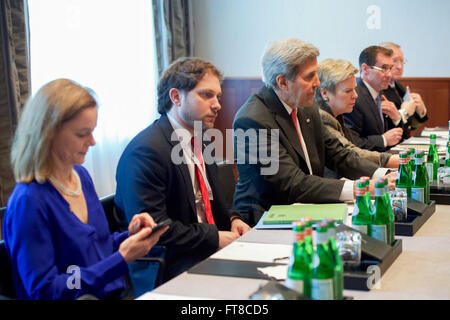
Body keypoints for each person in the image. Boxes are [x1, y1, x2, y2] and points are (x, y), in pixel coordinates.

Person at [2, 79, 168, 300]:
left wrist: (130, 237)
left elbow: (93, 250)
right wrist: (121, 258)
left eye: (92, 132)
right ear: (48, 134)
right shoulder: (29, 202)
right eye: (82, 134)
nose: (92, 142)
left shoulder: (80, 176)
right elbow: (47, 289)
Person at [232, 39, 395, 227]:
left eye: (316, 74)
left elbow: (339, 155)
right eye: (309, 77)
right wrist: (359, 188)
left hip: (308, 210)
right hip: (268, 219)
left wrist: (384, 174)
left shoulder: (306, 107)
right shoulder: (253, 120)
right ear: (283, 82)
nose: (317, 83)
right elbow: (292, 182)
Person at [115, 57, 251, 281]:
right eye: (206, 95)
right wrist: (214, 238)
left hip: (202, 250)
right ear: (176, 97)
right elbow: (154, 230)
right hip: (169, 263)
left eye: (218, 96)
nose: (217, 104)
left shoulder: (202, 138)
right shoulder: (146, 152)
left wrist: (233, 219)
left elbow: (213, 201)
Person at [315, 58, 400, 178]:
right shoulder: (322, 117)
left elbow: (352, 149)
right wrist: (388, 160)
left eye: (354, 89)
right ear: (325, 93)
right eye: (348, 91)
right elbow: (349, 154)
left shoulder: (336, 115)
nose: (355, 95)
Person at [343, 46, 405, 152]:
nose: (389, 74)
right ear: (365, 69)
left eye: (390, 68)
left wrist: (397, 118)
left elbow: (396, 136)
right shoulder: (354, 97)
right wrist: (383, 140)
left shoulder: (379, 93)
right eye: (383, 68)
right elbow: (351, 143)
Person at [380, 42, 428, 134]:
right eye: (395, 61)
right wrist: (404, 112)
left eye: (402, 61)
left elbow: (410, 126)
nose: (400, 66)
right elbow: (385, 127)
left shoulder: (397, 84)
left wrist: (420, 110)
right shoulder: (379, 88)